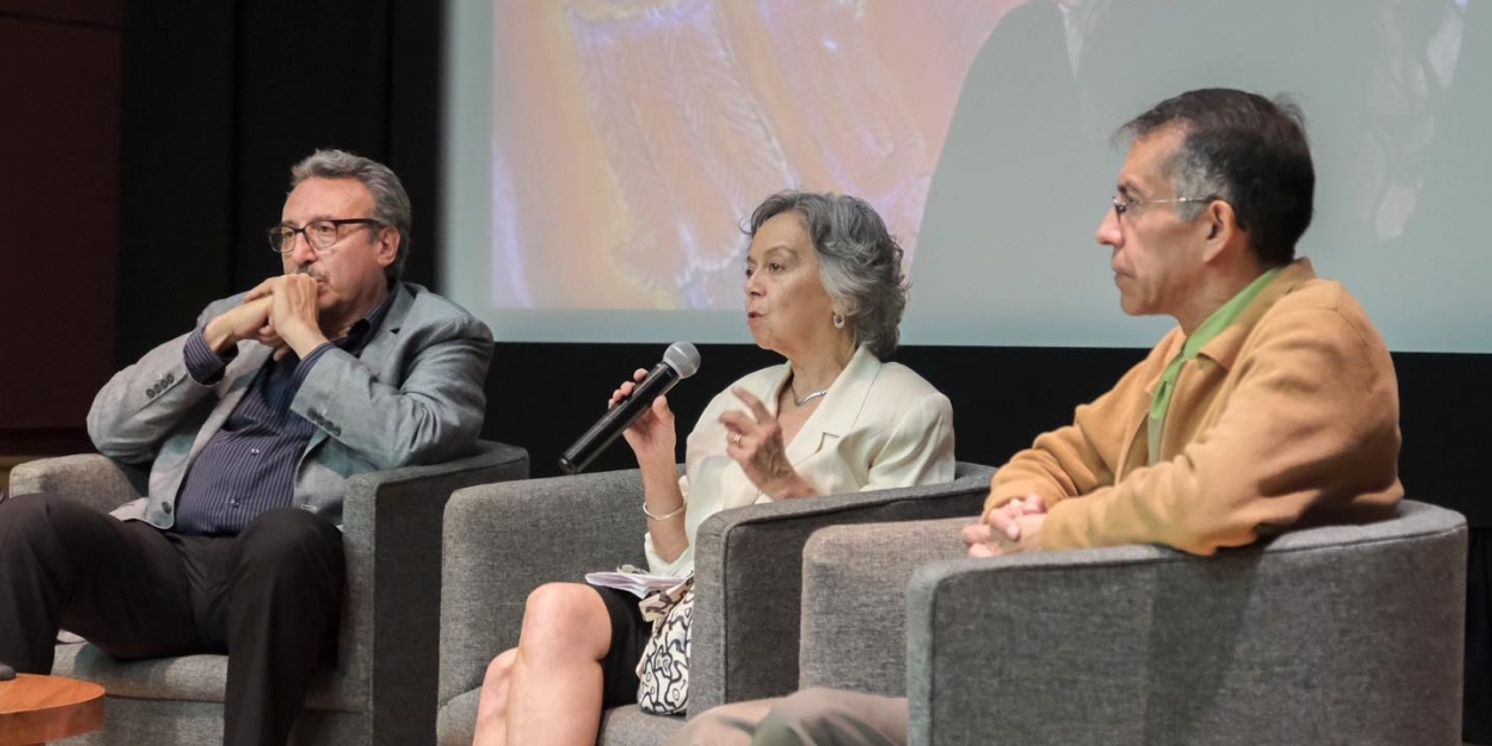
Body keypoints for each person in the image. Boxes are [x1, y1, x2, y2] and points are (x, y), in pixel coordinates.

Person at [672, 88, 1404, 745]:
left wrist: (1048, 533)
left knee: (799, 725)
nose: (1106, 230)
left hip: (1203, 698)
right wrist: (1021, 507)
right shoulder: (1184, 348)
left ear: (1215, 227)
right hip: (1105, 675)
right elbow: (1058, 456)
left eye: (1129, 204)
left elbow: (1205, 495)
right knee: (721, 728)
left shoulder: (1316, 335)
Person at [0, 149, 492, 746]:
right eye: (289, 234)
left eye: (325, 231)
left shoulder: (440, 331)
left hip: (293, 579)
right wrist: (217, 337)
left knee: (282, 535)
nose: (301, 253)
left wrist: (308, 343)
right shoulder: (237, 317)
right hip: (172, 565)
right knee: (26, 522)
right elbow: (110, 428)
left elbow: (416, 438)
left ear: (385, 244)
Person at [472, 191, 957, 746]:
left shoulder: (907, 409)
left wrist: (786, 486)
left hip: (780, 629)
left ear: (843, 290)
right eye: (749, 270)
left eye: (777, 267)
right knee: (550, 612)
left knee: (511, 674)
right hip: (690, 620)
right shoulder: (739, 397)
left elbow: (884, 578)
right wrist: (656, 459)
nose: (753, 285)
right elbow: (678, 562)